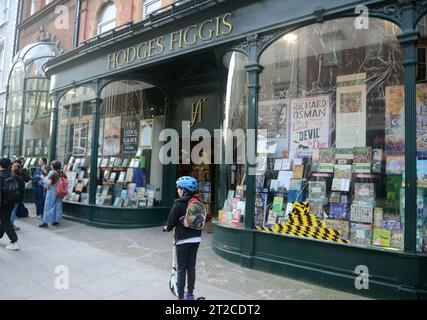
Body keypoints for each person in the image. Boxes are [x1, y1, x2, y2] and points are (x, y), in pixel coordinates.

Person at [164, 176, 202, 300]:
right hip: (196, 239)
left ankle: (180, 296)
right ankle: (190, 294)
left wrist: (166, 228)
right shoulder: (197, 202)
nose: (177, 191)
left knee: (181, 268)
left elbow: (170, 225)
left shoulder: (178, 204)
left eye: (178, 188)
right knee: (191, 267)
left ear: (184, 190)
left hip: (183, 240)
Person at [0, 158, 20, 250]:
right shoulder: (12, 175)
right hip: (11, 202)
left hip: (2, 203)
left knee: (5, 221)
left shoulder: (1, 176)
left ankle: (14, 241)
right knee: (4, 220)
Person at [39, 160, 65, 228]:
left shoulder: (52, 172)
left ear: (53, 166)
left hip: (52, 191)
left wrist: (43, 179)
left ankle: (45, 222)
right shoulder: (62, 173)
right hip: (59, 191)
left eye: (51, 165)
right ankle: (56, 221)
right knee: (58, 206)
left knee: (48, 206)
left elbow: (49, 184)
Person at [10, 163, 25, 231]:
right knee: (13, 211)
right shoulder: (20, 178)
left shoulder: (9, 177)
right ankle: (11, 224)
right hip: (16, 197)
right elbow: (22, 189)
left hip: (8, 196)